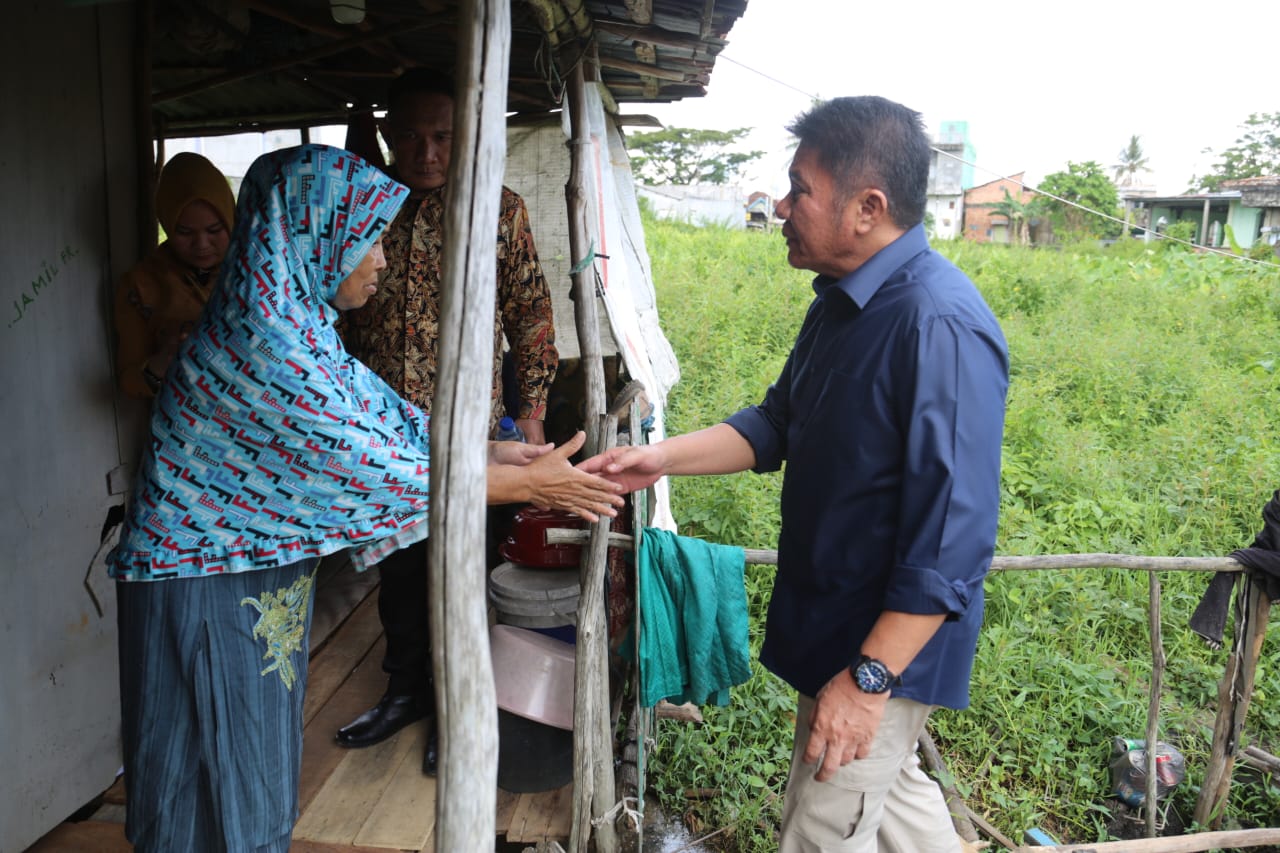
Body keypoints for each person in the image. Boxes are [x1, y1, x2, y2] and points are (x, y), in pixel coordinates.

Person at [107, 143, 621, 853]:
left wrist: (498, 451)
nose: (381, 257)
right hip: (201, 586)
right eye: (369, 237)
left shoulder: (299, 324)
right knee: (208, 774)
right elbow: (386, 469)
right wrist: (529, 481)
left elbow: (391, 424)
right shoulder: (267, 342)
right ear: (317, 234)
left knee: (239, 767)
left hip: (239, 577)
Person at [584, 97, 1009, 852]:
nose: (781, 206)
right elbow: (777, 424)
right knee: (900, 808)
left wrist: (869, 681)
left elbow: (951, 543)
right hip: (835, 624)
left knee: (819, 828)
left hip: (879, 651)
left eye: (800, 189)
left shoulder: (937, 323)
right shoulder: (843, 305)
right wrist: (659, 458)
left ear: (868, 207)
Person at [334, 68, 559, 774]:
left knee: (464, 567)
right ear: (389, 135)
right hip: (381, 435)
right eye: (409, 136)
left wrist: (531, 421)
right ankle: (406, 689)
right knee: (399, 568)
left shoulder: (498, 208)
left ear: (467, 138)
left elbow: (531, 319)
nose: (426, 152)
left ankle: (459, 702)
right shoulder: (364, 209)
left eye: (442, 137)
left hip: (474, 432)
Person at [113, 152, 235, 398]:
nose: (201, 244)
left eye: (214, 230)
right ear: (167, 225)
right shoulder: (141, 286)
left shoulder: (258, 270)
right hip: (190, 427)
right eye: (184, 232)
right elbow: (128, 380)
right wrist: (163, 362)